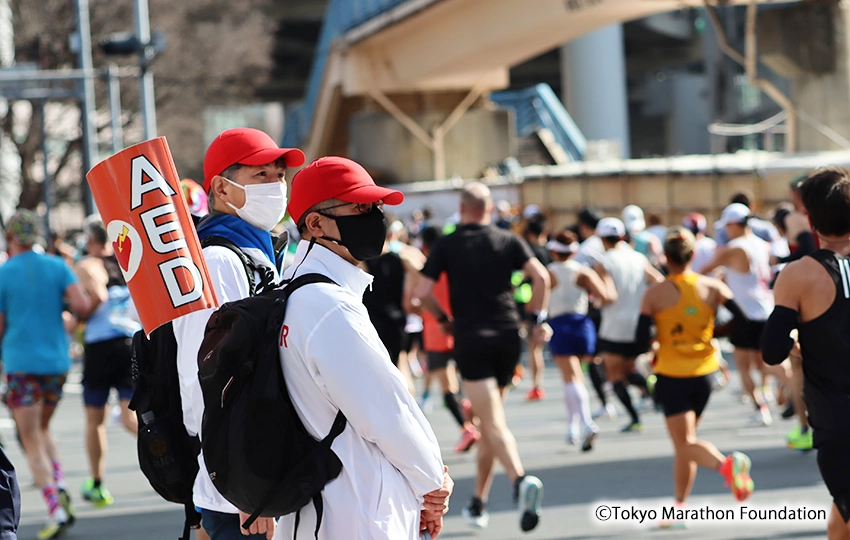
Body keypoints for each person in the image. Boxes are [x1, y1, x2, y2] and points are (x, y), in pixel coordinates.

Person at [278, 156, 452, 539]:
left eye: (375, 206)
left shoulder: (290, 291)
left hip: (317, 506)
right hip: (357, 507)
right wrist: (432, 483)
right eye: (359, 207)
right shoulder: (330, 306)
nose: (374, 216)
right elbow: (388, 414)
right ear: (315, 223)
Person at [173, 127, 306, 540]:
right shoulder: (218, 261)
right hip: (242, 486)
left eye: (279, 175)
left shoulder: (258, 251)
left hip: (260, 473)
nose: (276, 186)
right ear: (221, 188)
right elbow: (205, 377)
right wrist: (244, 486)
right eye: (260, 175)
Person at [415, 181, 548, 533]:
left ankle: (519, 480)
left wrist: (443, 319)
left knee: (491, 421)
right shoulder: (507, 239)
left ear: (461, 210)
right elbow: (542, 278)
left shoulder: (448, 243)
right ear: (489, 209)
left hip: (471, 336)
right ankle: (479, 500)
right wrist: (536, 320)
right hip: (508, 336)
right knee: (491, 420)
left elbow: (421, 292)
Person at [638, 227, 754, 527]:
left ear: (666, 257)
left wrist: (658, 341)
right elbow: (742, 318)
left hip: (672, 374)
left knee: (685, 443)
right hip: (704, 374)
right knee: (684, 445)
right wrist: (712, 333)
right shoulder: (712, 286)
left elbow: (640, 337)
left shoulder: (654, 293)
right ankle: (680, 508)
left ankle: (726, 465)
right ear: (692, 255)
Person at [761, 167, 850, 539]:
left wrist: (795, 343)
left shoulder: (798, 274)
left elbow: (771, 350)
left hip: (836, 417)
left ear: (810, 220)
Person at [0, 210, 90, 540]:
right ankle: (60, 483)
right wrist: (68, 324)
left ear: (11, 237)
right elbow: (82, 304)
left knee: (30, 438)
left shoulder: (4, 272)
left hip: (21, 363)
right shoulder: (57, 265)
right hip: (56, 361)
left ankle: (55, 507)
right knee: (43, 428)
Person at [701, 203, 789, 427]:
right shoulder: (762, 244)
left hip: (745, 313)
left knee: (745, 366)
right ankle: (788, 387)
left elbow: (704, 270)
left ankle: (762, 407)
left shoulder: (735, 247)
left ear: (735, 224)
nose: (725, 231)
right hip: (765, 309)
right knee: (764, 363)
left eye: (727, 226)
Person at [73, 216, 140, 507]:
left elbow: (98, 295)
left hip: (101, 346)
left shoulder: (88, 264)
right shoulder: (126, 262)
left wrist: (81, 316)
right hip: (130, 342)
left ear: (90, 240)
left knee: (95, 419)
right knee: (130, 416)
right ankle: (173, 456)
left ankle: (98, 483)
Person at [594, 217, 664, 433]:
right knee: (630, 370)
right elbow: (659, 281)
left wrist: (597, 301)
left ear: (602, 239)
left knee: (615, 376)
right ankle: (653, 391)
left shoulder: (603, 262)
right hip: (638, 323)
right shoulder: (638, 258)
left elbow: (609, 296)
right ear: (623, 236)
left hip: (614, 326)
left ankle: (635, 418)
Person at [415, 226, 480, 453]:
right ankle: (471, 413)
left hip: (436, 331)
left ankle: (466, 427)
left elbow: (414, 301)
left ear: (424, 246)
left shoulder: (425, 271)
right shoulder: (456, 266)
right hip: (460, 328)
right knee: (468, 379)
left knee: (447, 386)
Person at [545, 231, 610, 450]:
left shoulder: (549, 273)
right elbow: (604, 295)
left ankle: (585, 423)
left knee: (570, 377)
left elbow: (536, 302)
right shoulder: (583, 271)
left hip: (560, 324)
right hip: (582, 324)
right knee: (575, 377)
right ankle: (572, 427)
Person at [520, 213, 551, 401]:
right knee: (537, 347)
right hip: (547, 303)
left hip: (532, 304)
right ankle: (537, 385)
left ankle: (536, 385)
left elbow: (523, 277)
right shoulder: (549, 252)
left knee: (533, 347)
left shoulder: (529, 254)